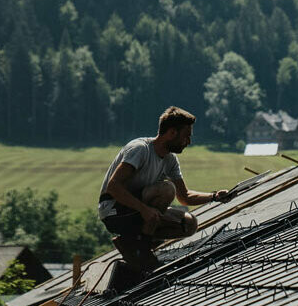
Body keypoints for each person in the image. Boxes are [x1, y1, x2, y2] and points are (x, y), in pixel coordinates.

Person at [98, 106, 232, 271]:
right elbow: (113, 187)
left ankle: (135, 244)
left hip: (139, 211)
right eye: (186, 137)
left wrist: (215, 196)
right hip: (114, 211)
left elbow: (185, 197)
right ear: (172, 133)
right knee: (167, 189)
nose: (188, 142)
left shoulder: (170, 160)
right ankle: (142, 250)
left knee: (189, 223)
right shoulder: (140, 149)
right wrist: (144, 209)